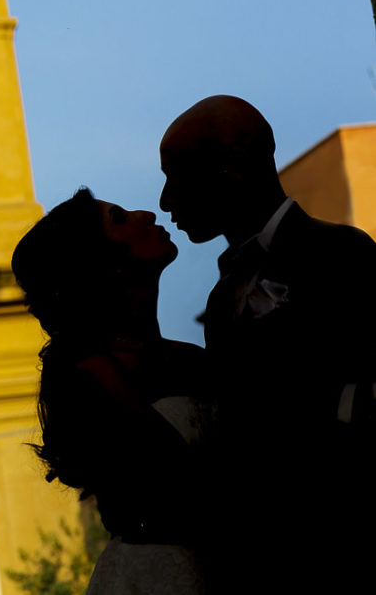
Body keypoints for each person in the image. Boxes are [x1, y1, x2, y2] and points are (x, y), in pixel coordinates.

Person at [159, 95, 376, 591]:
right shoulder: (220, 299)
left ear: (232, 166)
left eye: (177, 175)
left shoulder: (341, 254)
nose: (167, 201)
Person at [12, 188, 212, 594]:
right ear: (105, 265)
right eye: (120, 217)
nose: (147, 213)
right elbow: (173, 470)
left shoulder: (189, 358)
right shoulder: (88, 372)